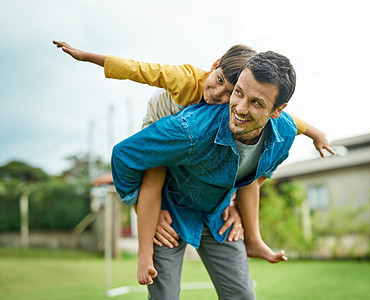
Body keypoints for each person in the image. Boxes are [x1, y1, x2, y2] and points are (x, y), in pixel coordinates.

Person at [53, 41, 334, 285]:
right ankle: (144, 254)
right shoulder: (187, 80)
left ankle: (255, 239)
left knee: (247, 171)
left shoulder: (252, 115)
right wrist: (86, 56)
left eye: (233, 93)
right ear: (214, 66)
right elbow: (138, 70)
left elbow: (289, 122)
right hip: (161, 132)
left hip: (202, 164)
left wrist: (316, 133)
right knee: (153, 177)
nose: (220, 96)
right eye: (224, 84)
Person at [111, 50, 300, 299]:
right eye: (238, 93)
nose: (240, 108)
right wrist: (142, 207)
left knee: (243, 296)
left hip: (217, 213)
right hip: (170, 213)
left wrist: (235, 204)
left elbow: (255, 175)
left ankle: (254, 241)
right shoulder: (191, 129)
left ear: (278, 110)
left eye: (256, 102)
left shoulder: (284, 135)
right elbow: (124, 154)